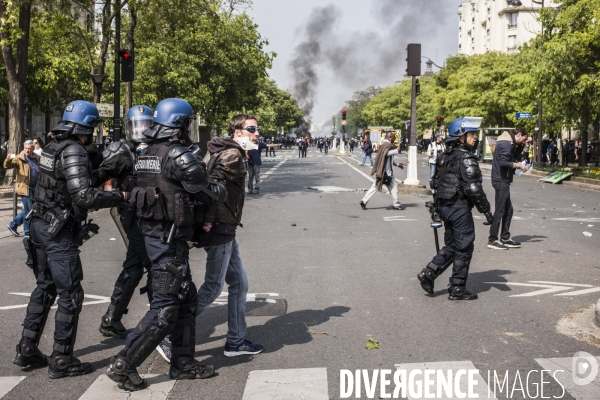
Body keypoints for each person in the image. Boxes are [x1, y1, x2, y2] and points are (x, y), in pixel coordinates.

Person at [106, 99, 224, 391]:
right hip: (167, 242)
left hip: (155, 236)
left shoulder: (146, 153)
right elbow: (212, 193)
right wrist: (218, 178)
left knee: (186, 299)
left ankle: (183, 362)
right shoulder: (177, 155)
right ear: (180, 125)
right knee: (165, 309)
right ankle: (124, 364)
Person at [15, 101, 123, 377]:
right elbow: (84, 196)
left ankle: (27, 349)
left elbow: (67, 182)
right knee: (71, 294)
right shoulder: (74, 149)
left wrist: (105, 171)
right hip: (57, 232)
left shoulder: (53, 146)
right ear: (86, 126)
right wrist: (120, 196)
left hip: (40, 226)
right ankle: (61, 358)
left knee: (45, 287)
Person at [417, 118, 494, 300]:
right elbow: (474, 188)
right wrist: (487, 212)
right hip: (458, 207)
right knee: (464, 247)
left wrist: (436, 208)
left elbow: (435, 183)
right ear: (461, 136)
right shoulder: (466, 157)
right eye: (472, 134)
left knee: (452, 245)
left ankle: (429, 272)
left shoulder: (444, 156)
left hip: (445, 206)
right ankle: (457, 288)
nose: (475, 138)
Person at [96, 105, 155, 338]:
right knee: (155, 267)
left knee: (134, 266)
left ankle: (112, 318)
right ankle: (157, 324)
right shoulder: (120, 150)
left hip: (149, 215)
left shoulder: (154, 147)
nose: (141, 129)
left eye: (146, 124)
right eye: (137, 125)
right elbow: (96, 176)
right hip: (132, 215)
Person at [487, 126, 528, 250]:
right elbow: (503, 163)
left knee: (508, 210)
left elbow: (512, 155)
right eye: (523, 139)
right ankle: (493, 239)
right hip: (501, 180)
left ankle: (505, 236)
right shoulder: (506, 143)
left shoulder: (507, 141)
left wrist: (522, 145)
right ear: (519, 134)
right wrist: (518, 165)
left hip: (502, 179)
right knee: (500, 211)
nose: (523, 141)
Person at [359, 131, 405, 211]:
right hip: (385, 172)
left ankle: (364, 201)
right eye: (393, 138)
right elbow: (386, 154)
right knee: (392, 187)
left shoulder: (387, 145)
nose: (394, 139)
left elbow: (390, 159)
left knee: (376, 187)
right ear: (390, 138)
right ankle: (396, 204)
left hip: (384, 172)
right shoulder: (386, 145)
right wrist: (396, 150)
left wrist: (397, 164)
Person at [4, 140, 40, 237]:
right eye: (26, 148)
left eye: (29, 148)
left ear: (33, 149)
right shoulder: (19, 158)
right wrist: (8, 159)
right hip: (24, 187)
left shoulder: (37, 158)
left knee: (30, 209)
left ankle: (13, 225)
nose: (27, 150)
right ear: (23, 148)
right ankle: (27, 232)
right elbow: (7, 165)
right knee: (28, 211)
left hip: (35, 187)